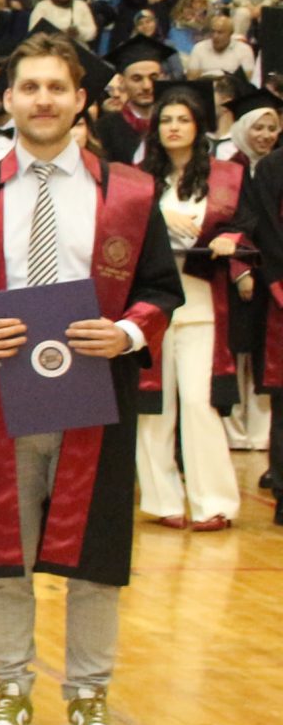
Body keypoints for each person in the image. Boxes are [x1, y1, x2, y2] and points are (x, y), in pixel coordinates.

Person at [0, 30, 182, 725]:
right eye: (30, 87)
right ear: (7, 99)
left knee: (96, 550)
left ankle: (90, 693)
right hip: (1, 397)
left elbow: (160, 288)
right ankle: (10, 685)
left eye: (56, 88)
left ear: (80, 99)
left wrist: (126, 333)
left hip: (96, 396)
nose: (43, 100)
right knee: (6, 550)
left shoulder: (128, 193)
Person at [134, 86, 246, 533]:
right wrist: (159, 217)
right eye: (166, 120)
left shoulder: (226, 177)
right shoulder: (139, 180)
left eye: (183, 119)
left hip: (201, 302)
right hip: (151, 306)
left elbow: (246, 225)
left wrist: (230, 240)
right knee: (154, 406)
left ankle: (213, 503)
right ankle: (162, 500)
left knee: (199, 404)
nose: (174, 127)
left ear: (198, 127)